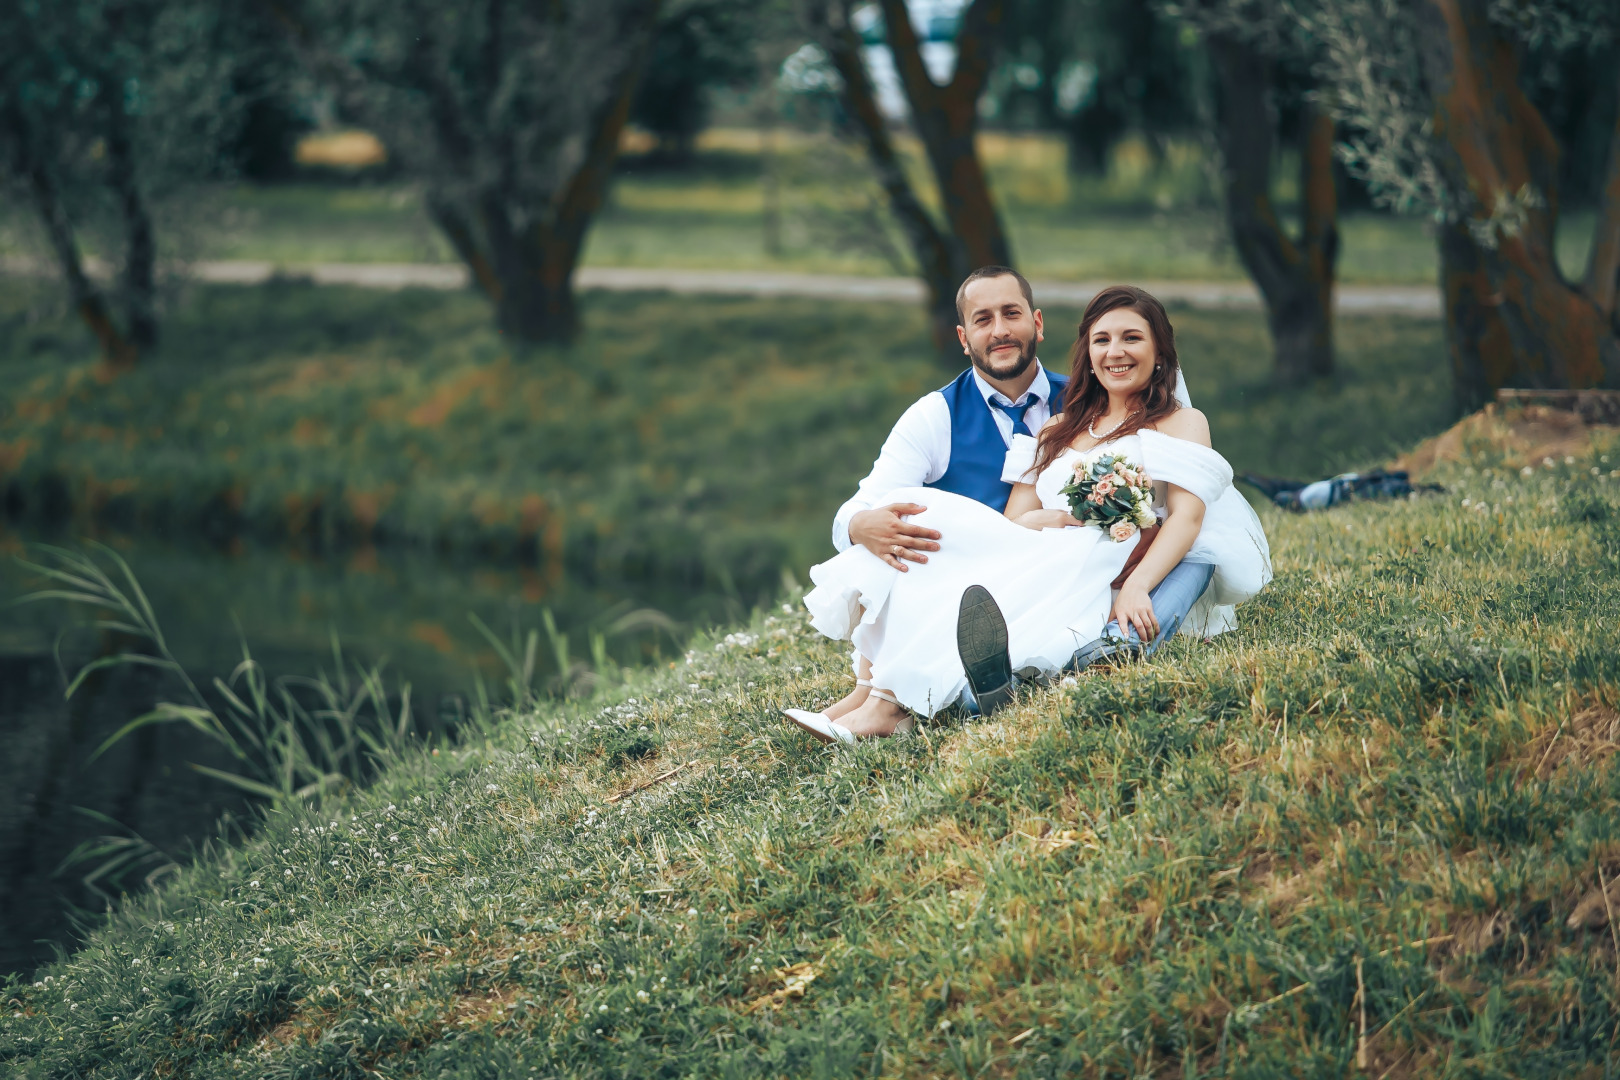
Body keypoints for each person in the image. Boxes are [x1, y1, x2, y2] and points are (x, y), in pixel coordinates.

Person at [784, 284, 1271, 743]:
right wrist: (1055, 520)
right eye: (1102, 340)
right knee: (921, 517)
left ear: (1160, 351)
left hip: (1108, 567)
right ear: (1088, 353)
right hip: (1037, 552)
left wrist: (1140, 584)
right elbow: (1015, 519)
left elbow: (1187, 517)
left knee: (958, 568)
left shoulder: (1180, 422)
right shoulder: (1059, 426)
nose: (1115, 351)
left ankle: (887, 708)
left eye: (1132, 338)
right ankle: (867, 693)